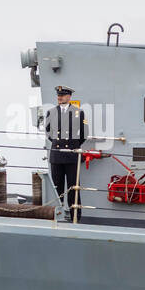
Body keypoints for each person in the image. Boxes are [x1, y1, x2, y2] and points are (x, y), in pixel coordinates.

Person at [44, 84, 86, 221]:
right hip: (57, 154)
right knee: (57, 187)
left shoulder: (78, 112)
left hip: (72, 154)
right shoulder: (51, 112)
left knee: (73, 187)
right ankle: (58, 215)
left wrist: (73, 146)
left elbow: (84, 134)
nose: (59, 98)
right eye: (58, 95)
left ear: (69, 96)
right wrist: (58, 143)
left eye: (62, 96)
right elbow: (49, 132)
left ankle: (75, 217)